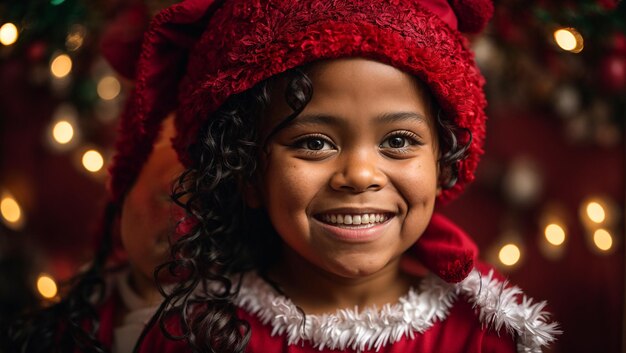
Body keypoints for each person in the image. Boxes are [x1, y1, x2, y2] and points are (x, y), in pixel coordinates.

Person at [108, 0, 562, 352]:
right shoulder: (191, 334)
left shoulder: (485, 334)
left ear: (444, 161)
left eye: (399, 140)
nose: (360, 175)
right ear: (246, 172)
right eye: (313, 143)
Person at [6, 115, 184, 353]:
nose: (180, 222)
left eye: (202, 210)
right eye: (167, 196)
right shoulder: (82, 311)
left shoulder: (218, 333)